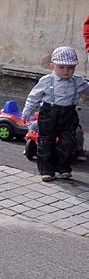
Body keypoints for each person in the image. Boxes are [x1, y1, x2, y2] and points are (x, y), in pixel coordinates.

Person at [22, 46, 89, 182]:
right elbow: (34, 96)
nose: (66, 71)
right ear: (52, 66)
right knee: (46, 141)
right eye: (61, 67)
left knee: (67, 141)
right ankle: (46, 170)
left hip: (69, 114)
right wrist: (27, 110)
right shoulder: (46, 81)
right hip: (49, 114)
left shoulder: (78, 81)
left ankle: (63, 167)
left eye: (70, 68)